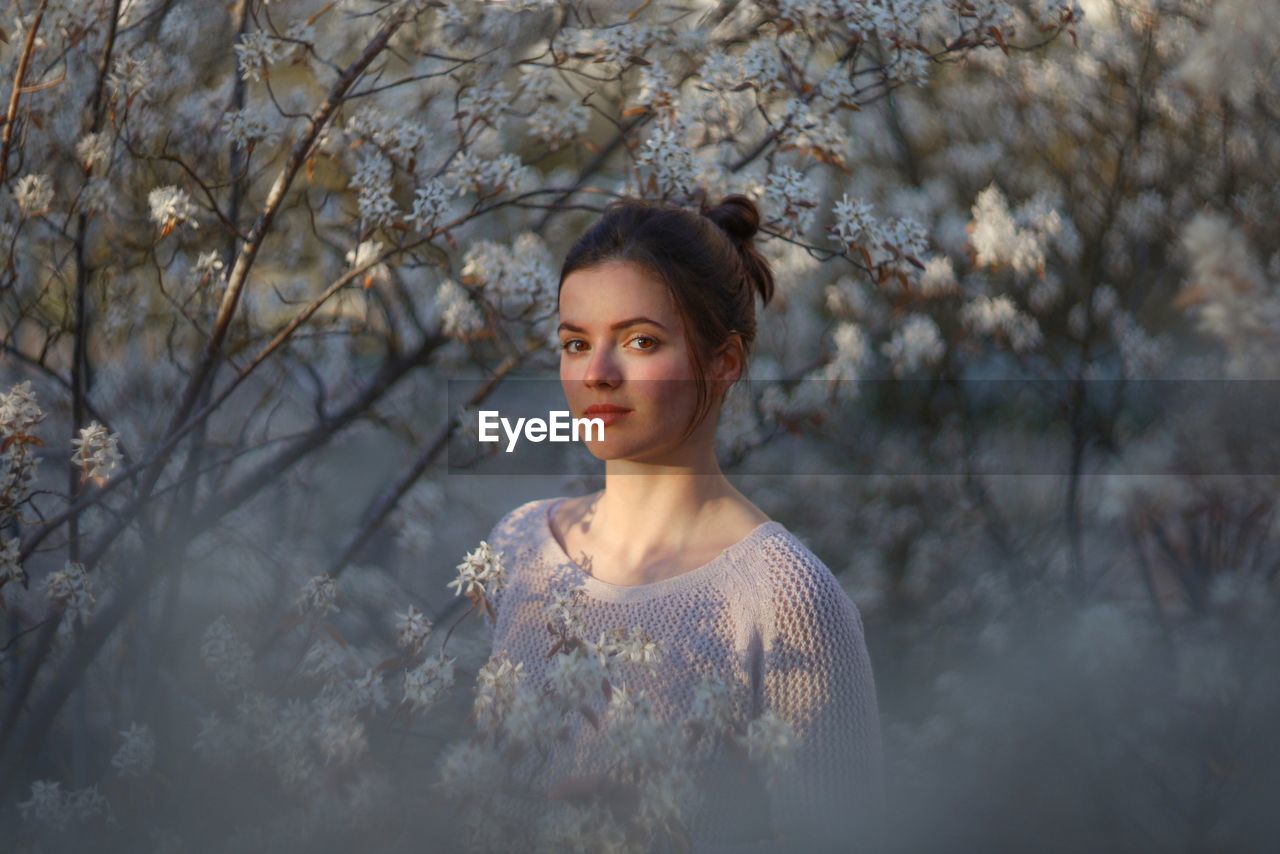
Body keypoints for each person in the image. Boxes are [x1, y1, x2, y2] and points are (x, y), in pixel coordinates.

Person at [479, 194, 884, 852]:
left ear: (725, 362)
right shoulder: (519, 548)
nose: (597, 374)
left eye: (640, 341)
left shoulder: (785, 598)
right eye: (575, 342)